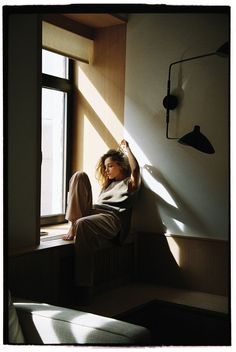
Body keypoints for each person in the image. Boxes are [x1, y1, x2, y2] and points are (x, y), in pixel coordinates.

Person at [63, 139, 140, 287]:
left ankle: (83, 286)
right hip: (95, 212)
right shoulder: (108, 185)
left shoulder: (129, 184)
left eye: (110, 166)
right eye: (105, 167)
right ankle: (72, 224)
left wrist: (127, 149)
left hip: (112, 218)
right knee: (79, 176)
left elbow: (135, 170)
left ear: (122, 166)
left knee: (83, 223)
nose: (106, 170)